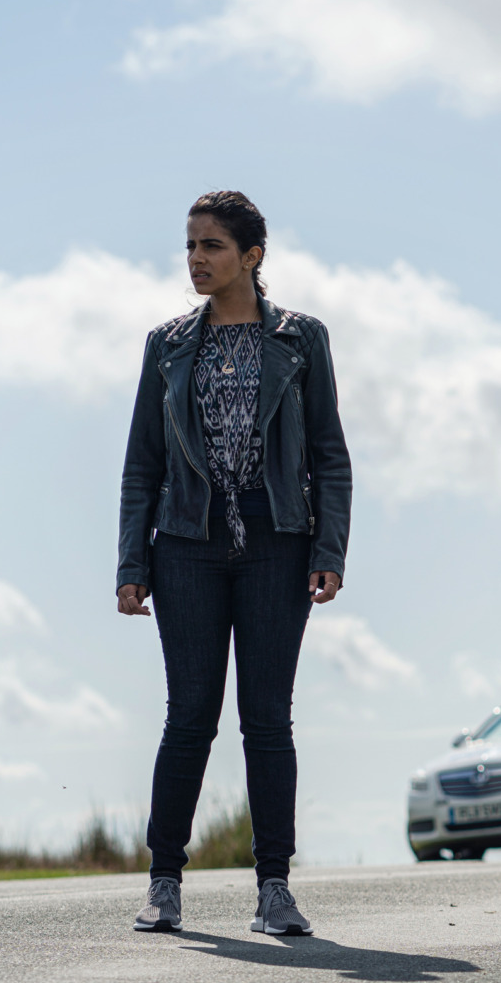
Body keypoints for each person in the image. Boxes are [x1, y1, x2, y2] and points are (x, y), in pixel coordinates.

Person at [116, 190, 351, 937]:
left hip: (277, 542)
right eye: (190, 246)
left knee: (266, 721)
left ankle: (274, 889)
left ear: (252, 255)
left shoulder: (301, 339)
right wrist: (132, 562)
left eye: (212, 246)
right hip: (185, 542)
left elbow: (328, 457)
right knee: (188, 717)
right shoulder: (168, 344)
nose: (196, 260)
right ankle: (163, 884)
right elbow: (140, 466)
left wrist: (328, 549)